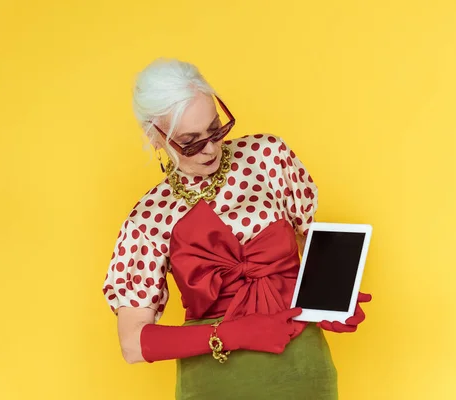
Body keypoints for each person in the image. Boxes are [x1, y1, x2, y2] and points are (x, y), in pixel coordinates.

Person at [102, 58, 372, 400]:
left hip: (301, 365)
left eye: (216, 129)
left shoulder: (268, 157)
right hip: (214, 380)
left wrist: (336, 296)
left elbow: (316, 241)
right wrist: (235, 333)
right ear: (156, 138)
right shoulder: (148, 218)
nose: (211, 147)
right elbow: (133, 344)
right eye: (191, 141)